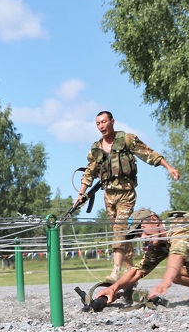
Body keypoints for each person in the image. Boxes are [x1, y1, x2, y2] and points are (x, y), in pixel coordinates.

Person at [74, 111, 180, 282]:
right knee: (123, 235)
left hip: (126, 193)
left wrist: (169, 167)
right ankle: (130, 273)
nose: (101, 126)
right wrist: (81, 194)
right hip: (108, 196)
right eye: (98, 123)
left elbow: (149, 154)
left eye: (104, 122)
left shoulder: (127, 140)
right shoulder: (96, 149)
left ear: (112, 122)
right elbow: (89, 173)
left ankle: (116, 272)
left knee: (120, 229)